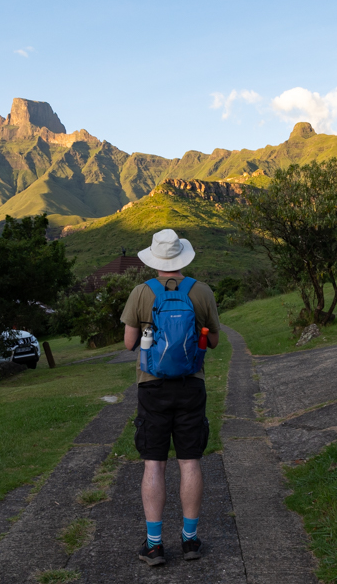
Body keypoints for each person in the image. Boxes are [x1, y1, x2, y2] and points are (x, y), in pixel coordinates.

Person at [120, 228, 220, 567]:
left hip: (152, 386)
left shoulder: (140, 293)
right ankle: (190, 541)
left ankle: (154, 545)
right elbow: (215, 340)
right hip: (192, 384)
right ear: (182, 258)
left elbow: (129, 343)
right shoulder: (202, 291)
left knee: (154, 463)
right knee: (190, 461)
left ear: (155, 260)